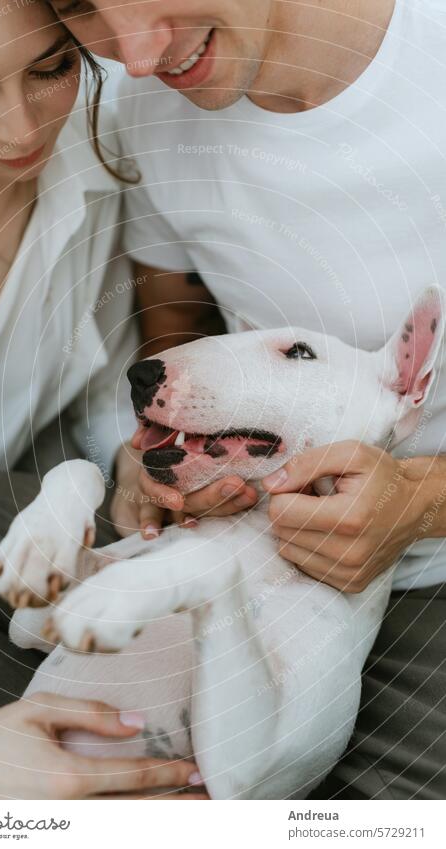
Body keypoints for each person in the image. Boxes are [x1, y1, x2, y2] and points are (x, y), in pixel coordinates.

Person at [50, 0, 446, 798]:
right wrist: (154, 457)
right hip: (227, 526)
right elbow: (175, 313)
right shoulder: (145, 100)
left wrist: (421, 500)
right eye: (79, 7)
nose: (133, 55)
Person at [0, 0, 202, 798]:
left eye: (51, 69)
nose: (21, 131)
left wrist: (138, 457)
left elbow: (100, 377)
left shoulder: (98, 143)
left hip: (14, 527)